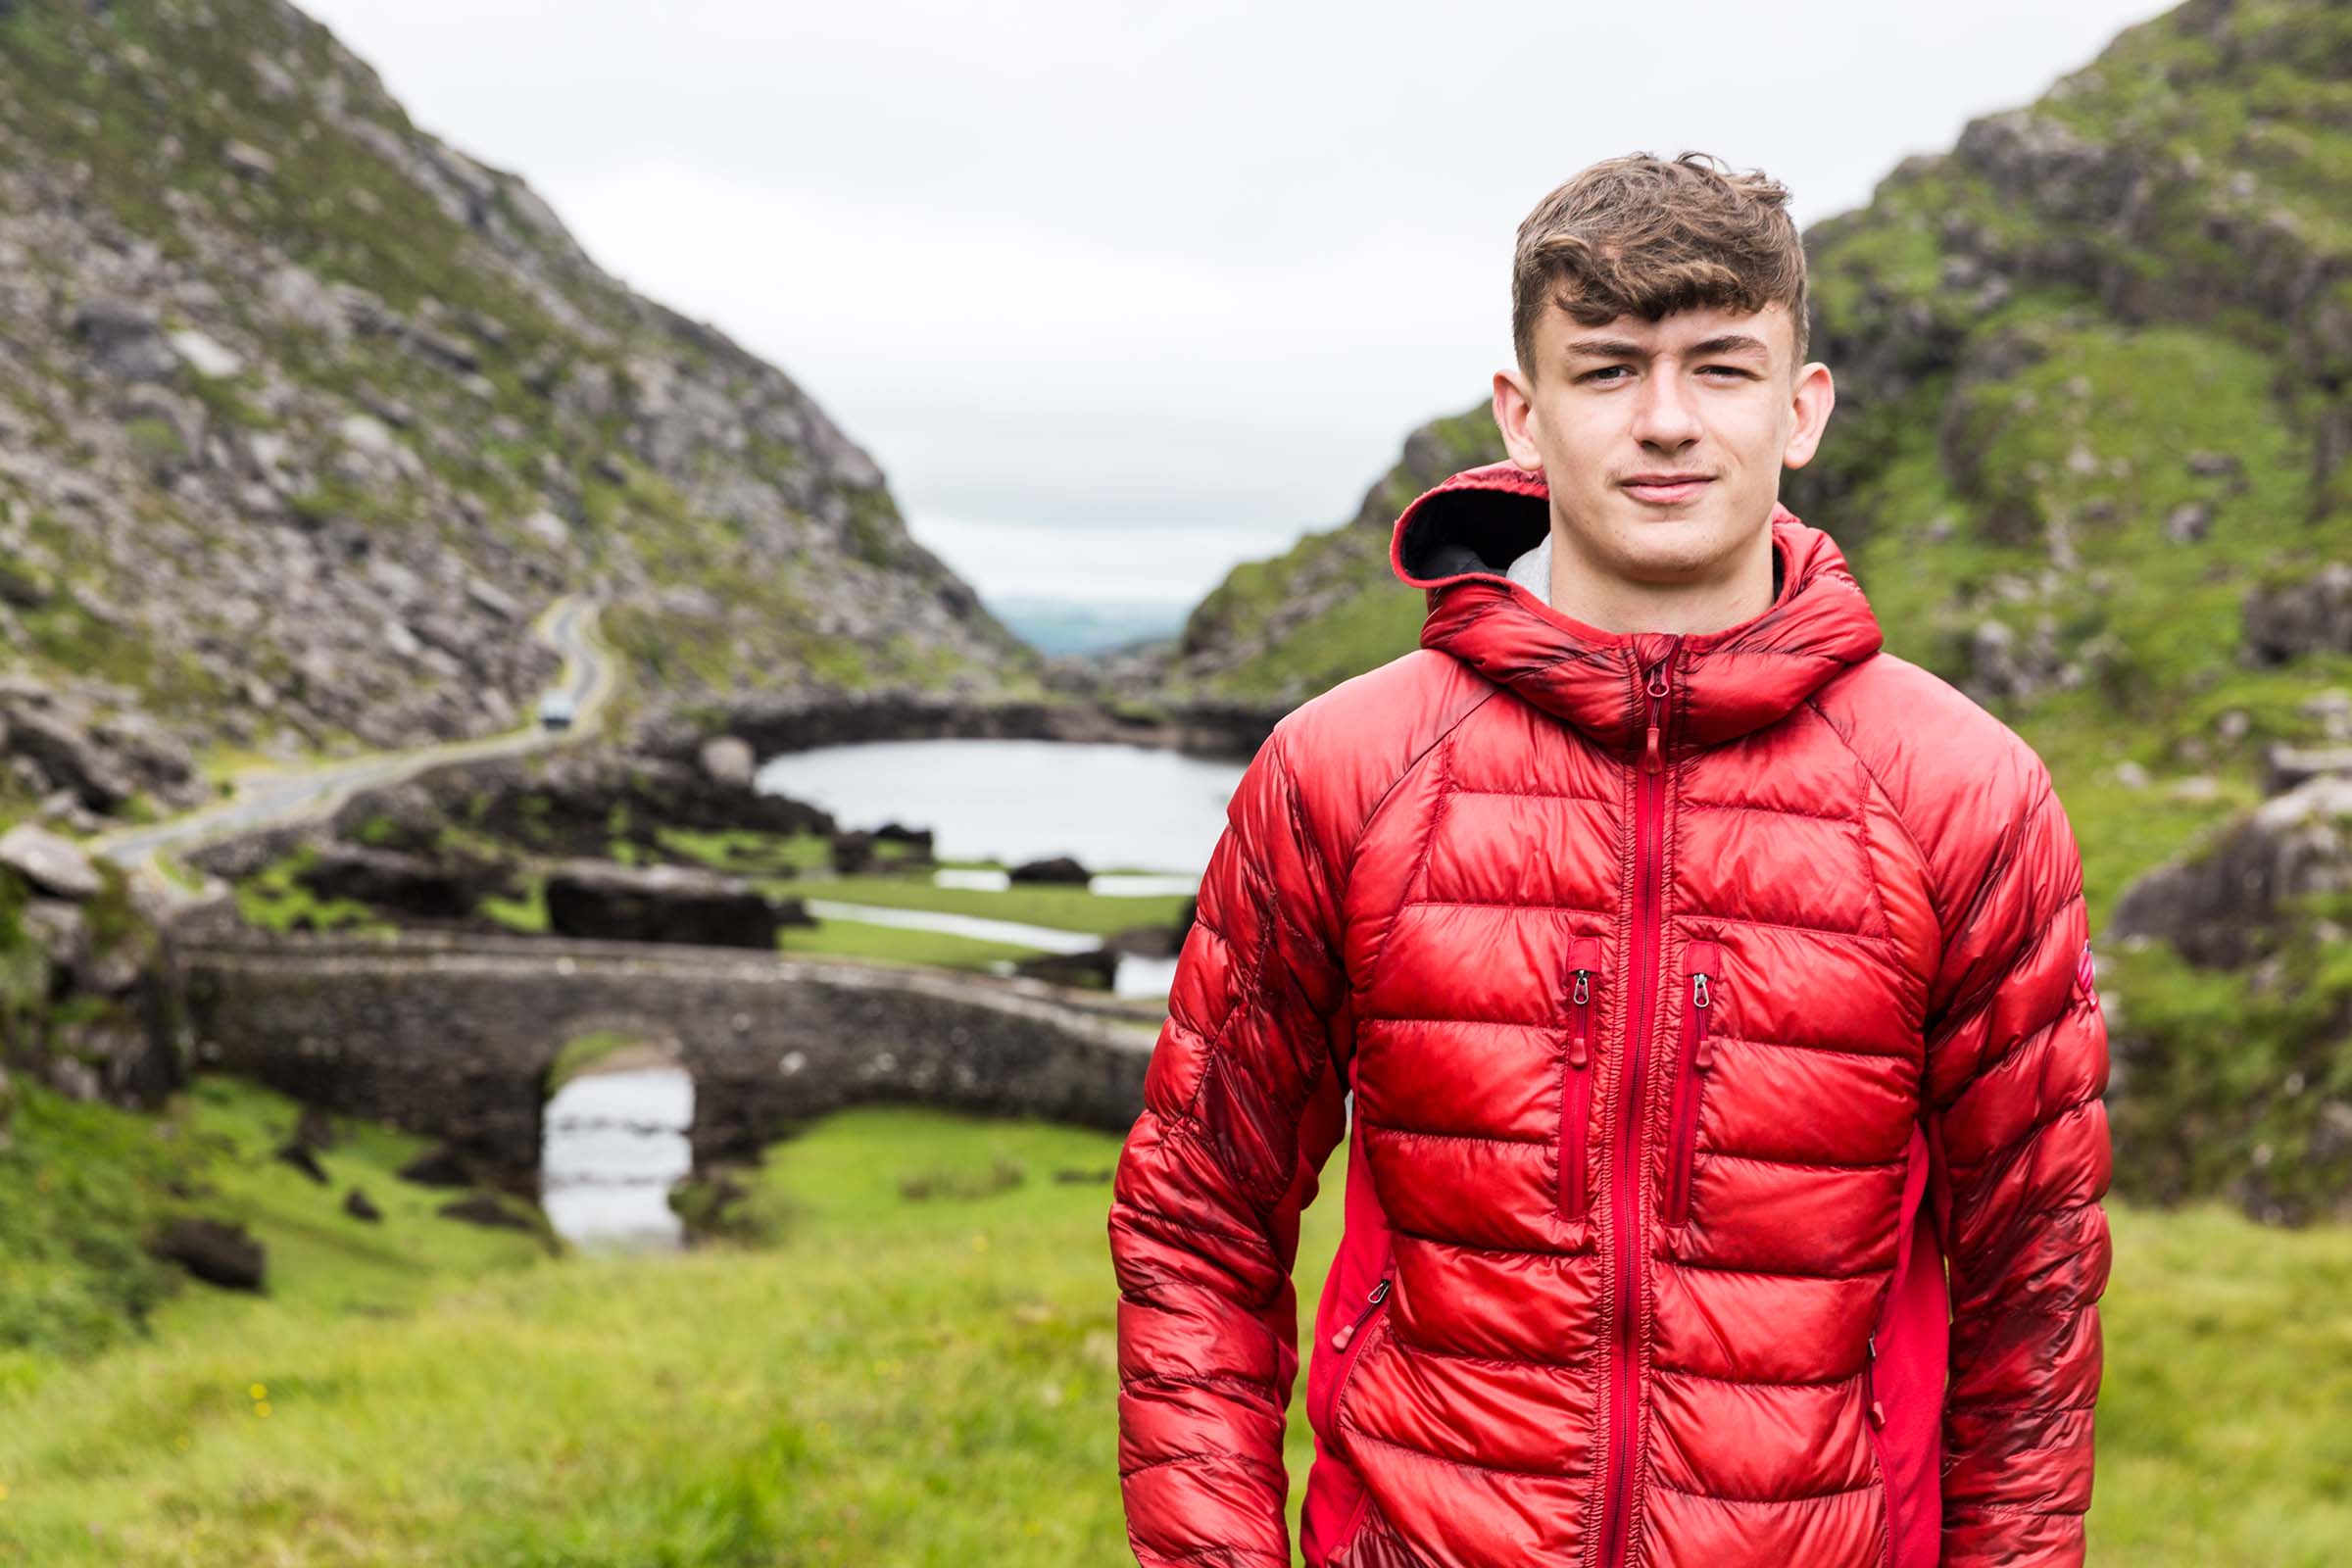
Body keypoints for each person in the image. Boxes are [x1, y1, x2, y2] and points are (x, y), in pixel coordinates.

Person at [1107, 150, 2111, 1568]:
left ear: (1801, 409)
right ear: (1521, 414)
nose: (1663, 423)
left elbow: (2038, 1289)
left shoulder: (1965, 794)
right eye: (1605, 369)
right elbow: (1199, 1213)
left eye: (1719, 367)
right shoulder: (1342, 770)